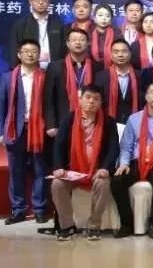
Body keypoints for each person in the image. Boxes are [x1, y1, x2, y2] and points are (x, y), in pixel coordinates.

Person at [111, 80, 153, 239]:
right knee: (117, 181)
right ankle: (127, 224)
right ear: (146, 96)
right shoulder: (134, 119)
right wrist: (124, 164)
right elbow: (126, 146)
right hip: (137, 161)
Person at [50, 84, 119, 241]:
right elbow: (59, 145)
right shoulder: (69, 120)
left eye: (96, 99)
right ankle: (67, 226)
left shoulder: (108, 122)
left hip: (97, 170)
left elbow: (113, 149)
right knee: (57, 184)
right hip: (73, 170)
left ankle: (94, 225)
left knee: (103, 183)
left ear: (101, 103)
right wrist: (58, 167)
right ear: (80, 100)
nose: (91, 102)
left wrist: (105, 168)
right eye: (88, 97)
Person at [0, 40, 50, 225]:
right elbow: (1, 107)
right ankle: (18, 209)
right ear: (19, 54)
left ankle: (39, 209)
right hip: (15, 130)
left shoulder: (46, 77)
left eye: (34, 51)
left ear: (39, 54)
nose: (30, 54)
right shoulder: (7, 78)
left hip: (39, 130)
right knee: (16, 171)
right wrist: (1, 132)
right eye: (26, 51)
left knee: (39, 170)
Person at [8, 0, 65, 69]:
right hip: (30, 70)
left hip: (55, 70)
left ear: (49, 1)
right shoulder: (20, 25)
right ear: (30, 2)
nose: (41, 2)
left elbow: (64, 50)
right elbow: (14, 51)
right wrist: (16, 72)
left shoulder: (58, 23)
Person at [94, 39, 138, 125]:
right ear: (111, 55)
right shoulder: (101, 77)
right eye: (116, 52)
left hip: (134, 123)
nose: (120, 55)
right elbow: (98, 103)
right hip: (108, 123)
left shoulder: (139, 76)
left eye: (124, 51)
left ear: (130, 54)